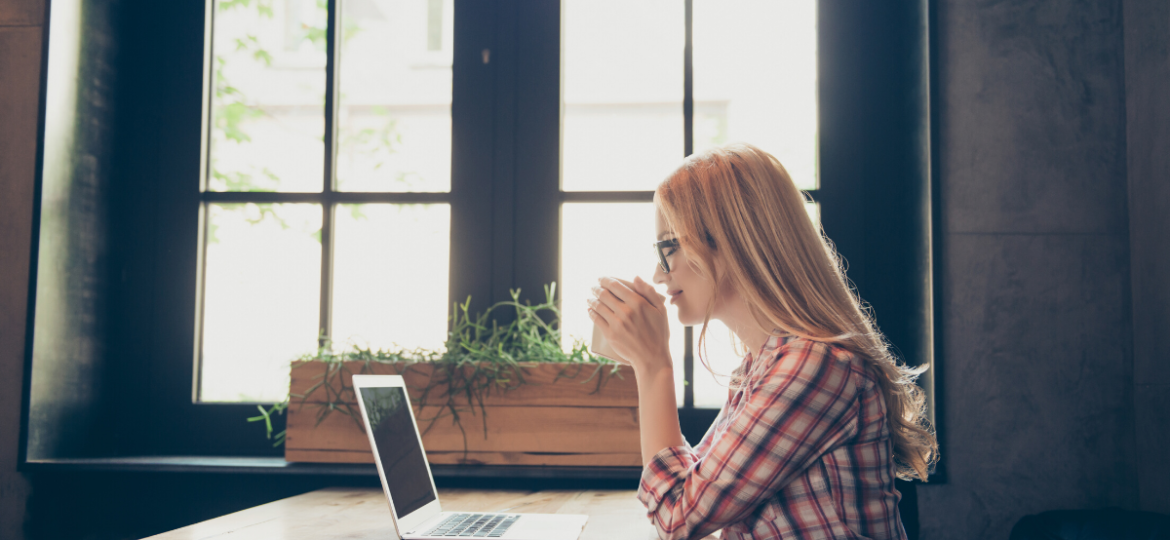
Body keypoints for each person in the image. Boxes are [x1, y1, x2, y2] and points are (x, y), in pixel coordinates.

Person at [587, 143, 938, 540]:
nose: (658, 272)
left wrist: (653, 367)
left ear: (732, 242)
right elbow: (699, 479)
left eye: (669, 246)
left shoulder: (815, 366)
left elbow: (678, 516)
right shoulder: (764, 365)